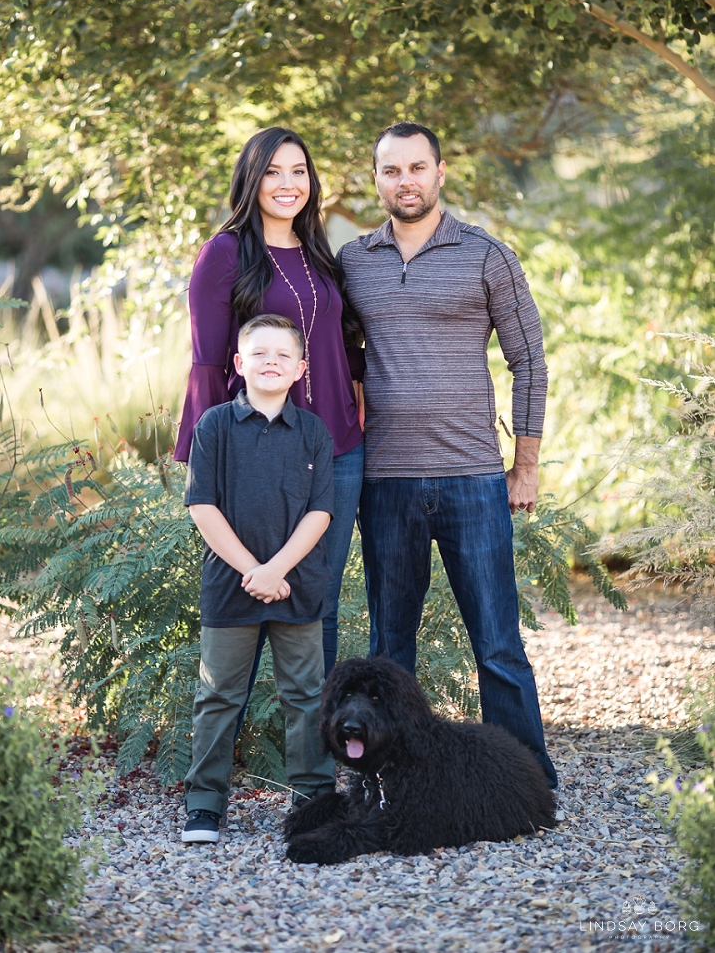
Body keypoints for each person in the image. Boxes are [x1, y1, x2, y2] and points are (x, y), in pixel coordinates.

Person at [339, 120, 557, 788]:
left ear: (440, 172)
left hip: (473, 479)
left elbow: (530, 362)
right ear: (375, 179)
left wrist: (525, 464)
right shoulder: (353, 262)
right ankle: (390, 777)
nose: (405, 180)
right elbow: (341, 358)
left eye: (416, 167)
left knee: (496, 642)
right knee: (389, 649)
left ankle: (525, 779)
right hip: (386, 483)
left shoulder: (487, 255)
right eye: (390, 170)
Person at [174, 126, 366, 678]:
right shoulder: (225, 253)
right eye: (274, 172)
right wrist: (204, 451)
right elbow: (209, 359)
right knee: (250, 589)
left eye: (299, 171)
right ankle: (233, 734)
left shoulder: (318, 254)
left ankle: (314, 750)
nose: (288, 183)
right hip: (257, 448)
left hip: (338, 448)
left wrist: (370, 393)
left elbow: (335, 345)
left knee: (317, 599)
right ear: (251, 180)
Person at [181, 314, 336, 844]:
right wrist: (253, 570)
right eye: (260, 352)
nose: (272, 361)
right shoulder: (215, 426)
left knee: (306, 695)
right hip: (230, 585)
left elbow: (320, 514)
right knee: (219, 694)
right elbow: (202, 505)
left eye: (283, 355)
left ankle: (313, 800)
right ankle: (204, 804)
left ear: (300, 369)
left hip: (298, 585)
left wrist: (278, 571)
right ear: (238, 363)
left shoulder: (315, 432)